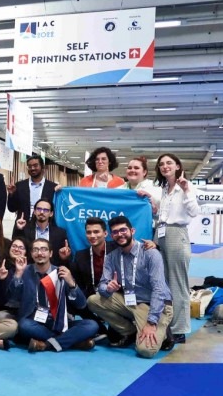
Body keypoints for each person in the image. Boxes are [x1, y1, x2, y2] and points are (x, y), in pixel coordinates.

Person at [87, 216, 175, 357]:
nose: (120, 234)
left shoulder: (150, 253)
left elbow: (159, 289)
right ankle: (130, 331)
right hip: (130, 302)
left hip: (154, 305)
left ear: (132, 231)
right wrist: (107, 288)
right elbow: (102, 285)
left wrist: (151, 322)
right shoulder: (112, 257)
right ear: (111, 235)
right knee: (93, 300)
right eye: (115, 232)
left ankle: (164, 330)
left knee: (146, 351)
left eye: (123, 230)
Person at [8, 238, 99, 352]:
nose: (40, 253)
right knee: (23, 325)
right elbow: (13, 299)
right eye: (35, 250)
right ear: (31, 254)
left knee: (91, 325)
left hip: (59, 322)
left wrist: (71, 283)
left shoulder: (61, 272)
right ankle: (73, 342)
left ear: (50, 253)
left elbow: (81, 304)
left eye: (44, 249)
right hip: (35, 322)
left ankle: (45, 345)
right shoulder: (24, 271)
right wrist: (18, 275)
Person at [153, 153, 199, 345]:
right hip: (160, 233)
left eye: (169, 163)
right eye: (162, 164)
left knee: (177, 283)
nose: (165, 166)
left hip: (176, 234)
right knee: (161, 282)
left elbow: (194, 212)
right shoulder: (164, 188)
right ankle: (166, 324)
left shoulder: (186, 187)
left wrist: (186, 190)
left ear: (178, 166)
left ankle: (180, 329)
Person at [69, 217, 119, 341]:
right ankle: (100, 328)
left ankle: (109, 329)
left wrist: (153, 245)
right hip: (92, 297)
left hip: (115, 295)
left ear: (105, 233)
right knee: (75, 298)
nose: (92, 235)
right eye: (89, 232)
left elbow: (136, 248)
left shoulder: (117, 248)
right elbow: (78, 284)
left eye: (96, 232)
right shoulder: (80, 255)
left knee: (115, 338)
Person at [13, 198, 70, 266]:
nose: (42, 212)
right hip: (29, 270)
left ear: (51, 214)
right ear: (34, 211)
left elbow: (63, 259)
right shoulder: (25, 230)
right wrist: (19, 229)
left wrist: (64, 258)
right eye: (39, 209)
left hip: (51, 273)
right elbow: (15, 249)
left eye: (46, 210)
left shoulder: (60, 233)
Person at [6, 155, 57, 226]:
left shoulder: (53, 187)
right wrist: (11, 194)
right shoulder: (19, 186)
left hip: (44, 227)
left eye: (35, 165)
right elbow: (12, 209)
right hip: (22, 226)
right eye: (29, 166)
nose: (32, 168)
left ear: (42, 167)